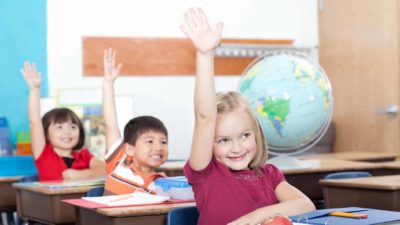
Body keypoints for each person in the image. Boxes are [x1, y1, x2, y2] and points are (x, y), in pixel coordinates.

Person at [180, 8, 315, 225]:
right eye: (224, 140)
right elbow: (205, 118)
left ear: (256, 134)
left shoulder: (269, 174)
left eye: (244, 135)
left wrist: (257, 216)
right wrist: (205, 54)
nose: (237, 147)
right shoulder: (205, 173)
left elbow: (306, 204)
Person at [21, 62, 105, 181]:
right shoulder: (44, 153)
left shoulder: (83, 155)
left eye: (73, 127)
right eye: (59, 127)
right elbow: (34, 122)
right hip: (52, 200)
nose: (67, 132)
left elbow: (105, 169)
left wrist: (78, 175)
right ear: (46, 134)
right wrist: (35, 89)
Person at [102, 48, 169, 195]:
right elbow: (110, 124)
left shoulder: (163, 183)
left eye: (163, 142)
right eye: (150, 141)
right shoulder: (119, 163)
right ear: (130, 149)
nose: (159, 147)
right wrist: (108, 82)